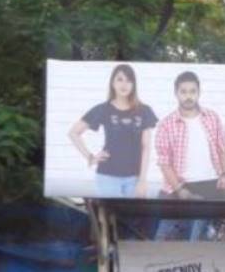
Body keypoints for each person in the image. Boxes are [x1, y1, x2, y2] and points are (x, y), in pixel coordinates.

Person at [68, 63, 158, 199]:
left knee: (132, 218)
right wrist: (90, 157)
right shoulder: (103, 109)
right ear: (112, 83)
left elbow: (146, 147)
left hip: (135, 178)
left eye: (129, 80)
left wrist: (142, 179)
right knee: (107, 219)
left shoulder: (144, 110)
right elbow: (74, 132)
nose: (124, 84)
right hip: (107, 177)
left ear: (134, 84)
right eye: (120, 79)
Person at [155, 70, 225, 201]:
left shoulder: (212, 117)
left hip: (213, 181)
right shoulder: (165, 124)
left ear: (198, 93)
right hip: (181, 184)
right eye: (183, 92)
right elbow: (164, 162)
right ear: (176, 94)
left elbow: (222, 148)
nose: (188, 96)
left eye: (192, 91)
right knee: (160, 212)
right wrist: (180, 190)